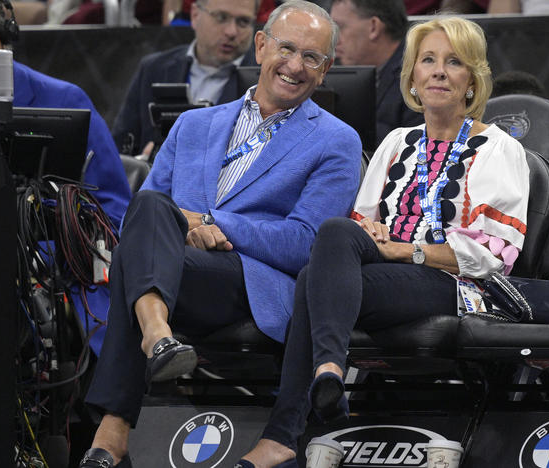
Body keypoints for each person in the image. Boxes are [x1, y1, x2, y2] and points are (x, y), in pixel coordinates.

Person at [238, 15, 529, 468]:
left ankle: (290, 425)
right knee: (331, 244)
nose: (437, 71)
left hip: (455, 284)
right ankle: (329, 375)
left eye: (453, 62)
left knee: (315, 280)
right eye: (427, 59)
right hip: (385, 276)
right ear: (411, 73)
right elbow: (359, 229)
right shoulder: (396, 143)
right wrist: (371, 233)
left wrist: (401, 248)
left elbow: (494, 257)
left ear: (472, 79)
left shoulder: (499, 148)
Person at [79, 1, 362, 467]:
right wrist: (179, 227)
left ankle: (113, 426)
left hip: (248, 281)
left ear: (327, 69)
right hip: (178, 272)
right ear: (260, 45)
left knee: (142, 253)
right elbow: (137, 224)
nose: (294, 66)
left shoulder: (336, 140)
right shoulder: (194, 124)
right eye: (286, 48)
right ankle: (157, 336)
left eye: (312, 58)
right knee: (148, 206)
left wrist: (210, 223)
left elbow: (307, 244)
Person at [0, 0, 132, 354]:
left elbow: (111, 206)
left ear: (5, 38)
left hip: (40, 262)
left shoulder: (63, 98)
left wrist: (43, 249)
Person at [111, 0, 259, 156]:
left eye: (243, 22)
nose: (231, 32)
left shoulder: (262, 81)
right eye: (221, 17)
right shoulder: (154, 68)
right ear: (195, 15)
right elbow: (119, 149)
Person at [330, 0, 423, 146]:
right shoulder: (346, 71)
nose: (334, 40)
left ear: (374, 27)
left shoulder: (417, 75)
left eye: (340, 27)